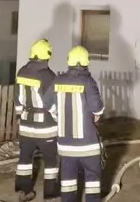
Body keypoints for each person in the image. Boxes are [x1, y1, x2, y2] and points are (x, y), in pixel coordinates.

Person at [49, 46, 105, 202]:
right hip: (88, 145)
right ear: (87, 62)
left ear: (69, 61)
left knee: (68, 182)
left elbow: (48, 104)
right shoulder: (88, 81)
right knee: (92, 181)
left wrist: (59, 117)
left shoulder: (58, 80)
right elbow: (97, 108)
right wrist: (96, 115)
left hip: (66, 146)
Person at [14, 39, 59, 202]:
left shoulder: (21, 72)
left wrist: (19, 116)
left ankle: (24, 191)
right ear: (48, 54)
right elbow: (52, 103)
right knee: (51, 161)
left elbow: (17, 98)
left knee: (25, 159)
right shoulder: (49, 76)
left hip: (26, 124)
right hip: (46, 126)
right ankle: (50, 194)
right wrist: (59, 120)